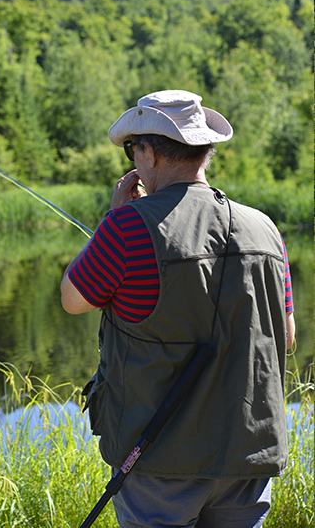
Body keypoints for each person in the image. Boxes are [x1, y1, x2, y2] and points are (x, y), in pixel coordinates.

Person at [60, 90, 295, 528]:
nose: (133, 159)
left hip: (157, 459)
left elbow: (72, 299)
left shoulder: (126, 228)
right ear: (205, 150)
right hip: (247, 455)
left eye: (133, 149)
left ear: (147, 152)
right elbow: (287, 334)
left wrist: (109, 223)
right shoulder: (266, 229)